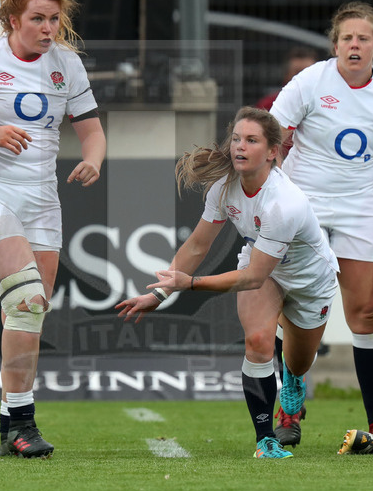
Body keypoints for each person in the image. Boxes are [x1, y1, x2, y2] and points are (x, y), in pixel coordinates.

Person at [116, 106, 339, 460]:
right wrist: (160, 292)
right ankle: (265, 441)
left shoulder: (285, 204)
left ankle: (294, 379)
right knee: (258, 341)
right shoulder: (222, 188)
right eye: (236, 138)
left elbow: (252, 276)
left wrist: (190, 284)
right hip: (262, 269)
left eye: (251, 140)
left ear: (271, 152)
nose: (240, 146)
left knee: (298, 362)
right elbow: (198, 245)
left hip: (310, 279)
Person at [0, 0, 106, 459]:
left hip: (41, 203)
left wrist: (93, 159)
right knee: (26, 298)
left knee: (29, 312)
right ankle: (24, 424)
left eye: (55, 19)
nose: (48, 28)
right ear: (13, 20)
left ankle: (6, 426)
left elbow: (92, 130)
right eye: (37, 18)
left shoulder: (67, 65)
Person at [270, 1, 373, 434]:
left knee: (368, 313)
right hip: (306, 208)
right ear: (335, 45)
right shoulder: (309, 81)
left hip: (362, 209)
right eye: (345, 39)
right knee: (297, 310)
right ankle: (290, 403)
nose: (353, 46)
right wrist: (276, 201)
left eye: (362, 39)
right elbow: (272, 141)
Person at [255, 46, 320, 111]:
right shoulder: (268, 105)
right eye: (298, 73)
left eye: (309, 73)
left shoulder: (325, 104)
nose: (303, 78)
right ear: (286, 75)